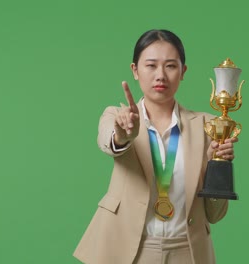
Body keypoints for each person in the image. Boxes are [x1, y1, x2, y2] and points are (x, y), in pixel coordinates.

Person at [73, 29, 238, 264]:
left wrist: (217, 167)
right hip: (128, 252)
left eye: (171, 66)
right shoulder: (117, 116)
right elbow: (108, 142)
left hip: (188, 251)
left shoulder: (209, 126)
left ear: (183, 72)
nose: (160, 75)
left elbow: (215, 215)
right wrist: (123, 135)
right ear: (135, 71)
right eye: (151, 65)